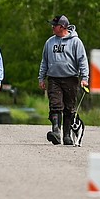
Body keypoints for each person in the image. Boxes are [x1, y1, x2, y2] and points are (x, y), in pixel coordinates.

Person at [38, 14, 89, 146]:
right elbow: (44, 61)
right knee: (55, 105)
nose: (52, 27)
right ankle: (56, 131)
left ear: (62, 27)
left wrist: (84, 78)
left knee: (69, 107)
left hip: (70, 79)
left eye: (54, 26)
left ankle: (67, 135)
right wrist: (41, 78)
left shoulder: (76, 42)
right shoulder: (49, 42)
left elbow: (82, 60)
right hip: (54, 79)